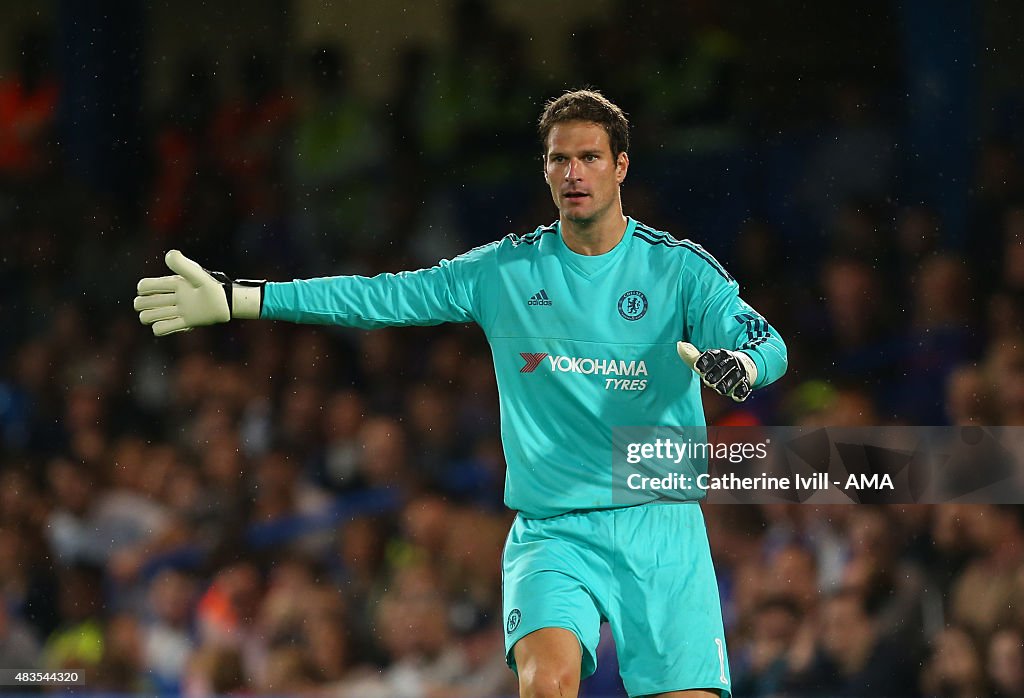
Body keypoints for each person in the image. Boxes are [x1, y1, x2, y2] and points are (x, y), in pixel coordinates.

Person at [134, 89, 787, 698]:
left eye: (589, 157)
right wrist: (239, 297)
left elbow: (766, 343)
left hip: (661, 520)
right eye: (559, 159)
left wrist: (743, 368)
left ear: (620, 166)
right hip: (555, 527)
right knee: (546, 681)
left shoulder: (678, 268)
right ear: (545, 171)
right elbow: (378, 296)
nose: (573, 173)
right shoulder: (504, 270)